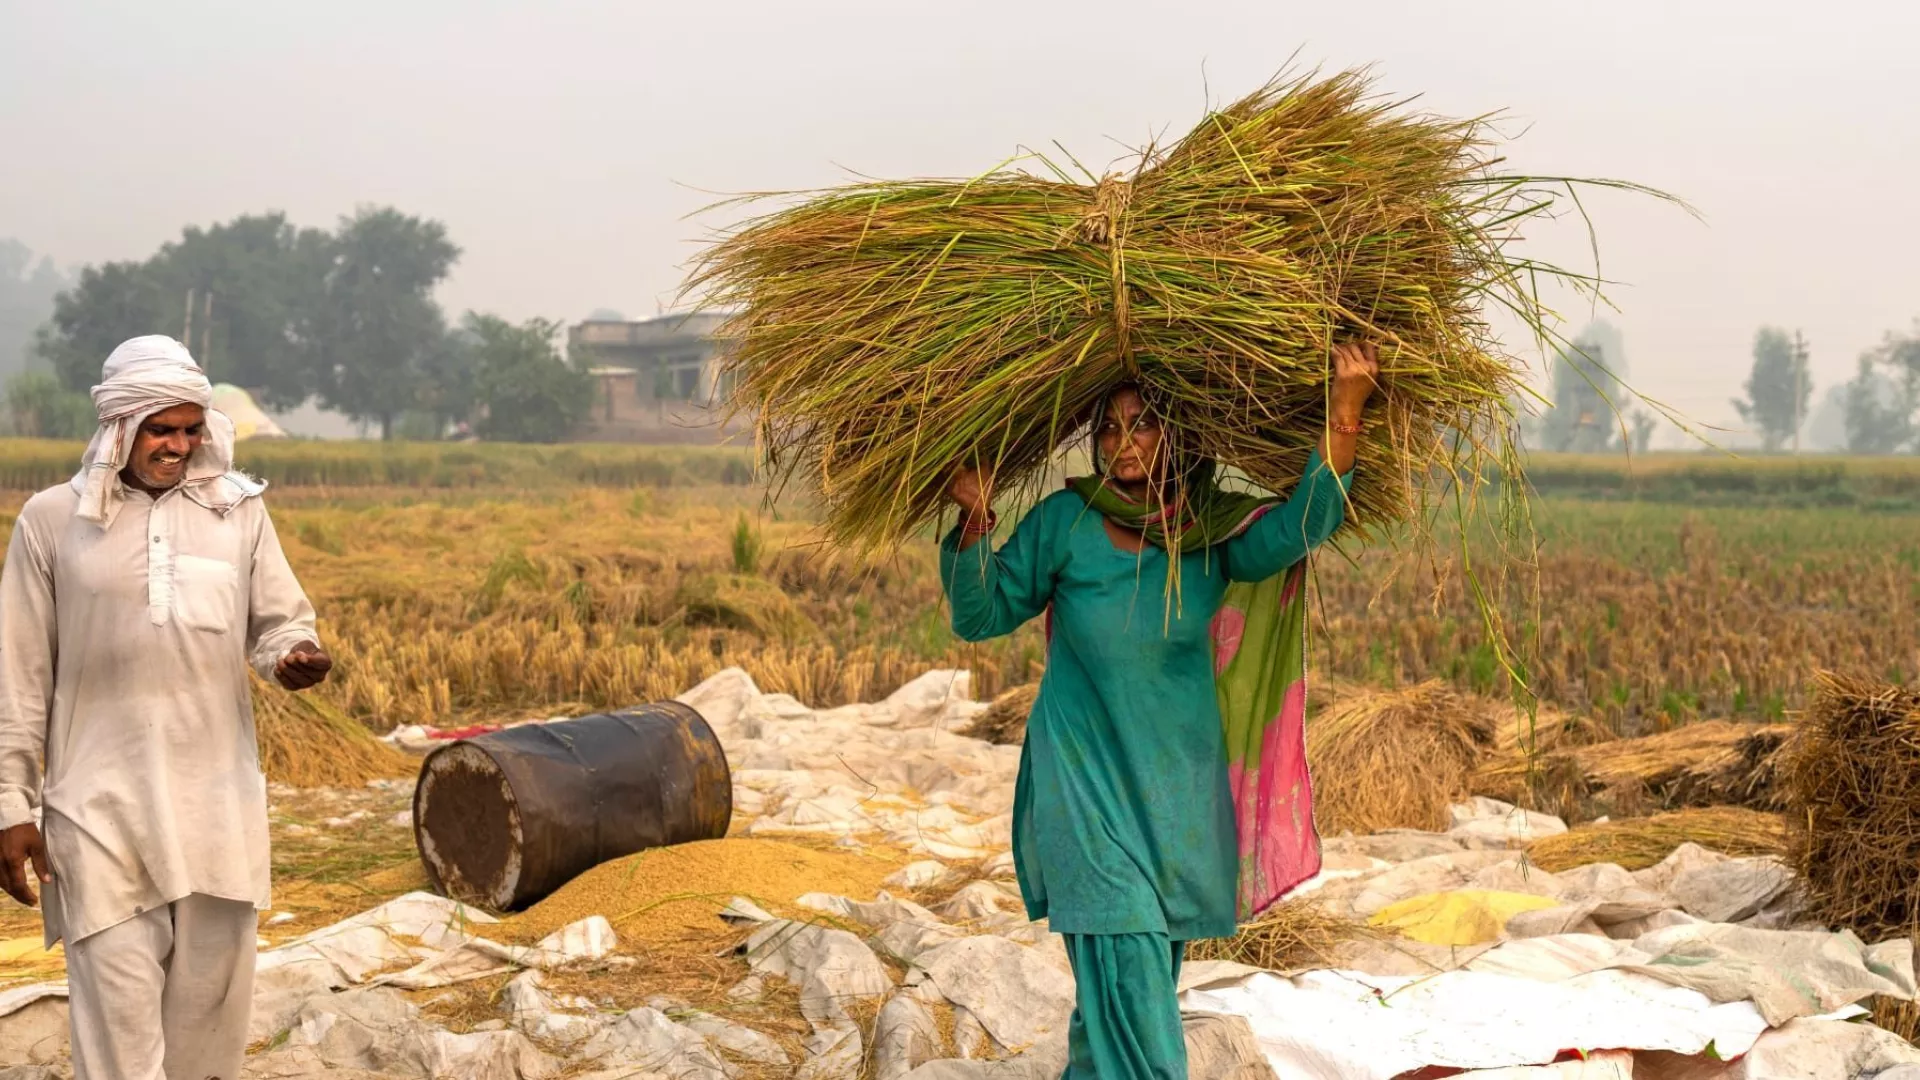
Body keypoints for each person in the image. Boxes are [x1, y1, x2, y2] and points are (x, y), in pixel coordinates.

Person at [940, 342, 1380, 1080]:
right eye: (1109, 429)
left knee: (1122, 997)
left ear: (1180, 435)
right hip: (1085, 785)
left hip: (1176, 789)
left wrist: (1346, 408)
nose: (1123, 443)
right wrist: (978, 517)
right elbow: (979, 614)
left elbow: (1302, 524)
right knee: (1129, 976)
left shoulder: (1208, 533)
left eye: (1142, 425)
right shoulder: (1064, 523)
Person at [0, 335, 333, 1080]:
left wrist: (291, 655)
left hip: (217, 809)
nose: (179, 445)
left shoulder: (238, 513)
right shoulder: (54, 522)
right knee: (118, 1043)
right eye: (161, 429)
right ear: (120, 428)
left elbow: (279, 622)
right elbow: (17, 676)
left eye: (190, 428)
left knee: (206, 1044)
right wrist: (10, 806)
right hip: (98, 811)